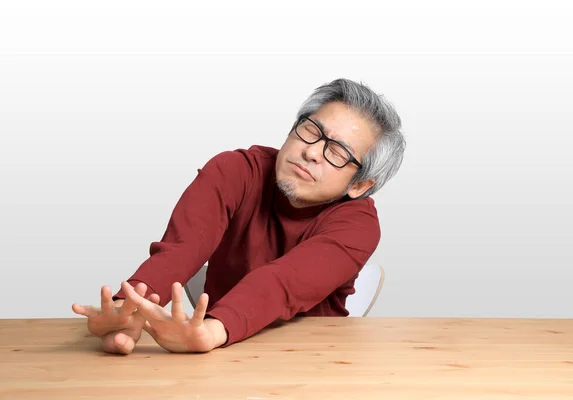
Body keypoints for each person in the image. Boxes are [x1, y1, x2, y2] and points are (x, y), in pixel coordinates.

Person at [72, 78, 407, 354]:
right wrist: (125, 308)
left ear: (360, 184)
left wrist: (210, 333)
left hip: (314, 358)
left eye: (337, 152)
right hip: (222, 355)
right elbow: (181, 249)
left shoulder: (358, 225)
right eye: (310, 131)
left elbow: (282, 282)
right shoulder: (235, 171)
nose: (311, 152)